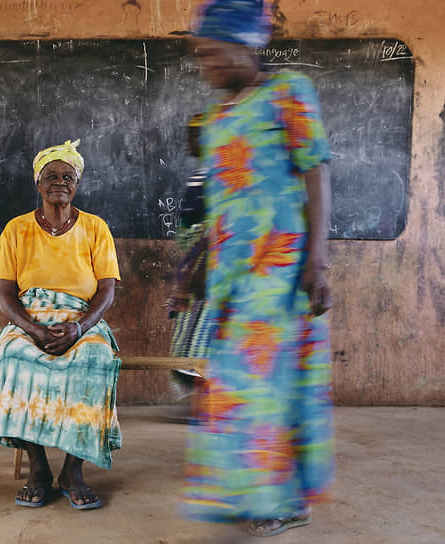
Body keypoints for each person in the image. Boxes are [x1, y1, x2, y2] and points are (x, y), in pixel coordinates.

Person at [181, 0, 335, 538]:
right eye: (200, 57)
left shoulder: (289, 92)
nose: (207, 67)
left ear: (247, 45)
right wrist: (202, 266)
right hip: (233, 277)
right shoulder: (219, 117)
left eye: (213, 54)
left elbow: (315, 174)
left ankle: (278, 498)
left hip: (280, 269)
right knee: (239, 383)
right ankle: (255, 493)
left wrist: (317, 261)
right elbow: (224, 203)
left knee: (260, 384)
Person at [0, 139, 122, 510]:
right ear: (38, 183)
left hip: (81, 318)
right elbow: (6, 295)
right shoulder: (16, 229)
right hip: (30, 318)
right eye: (51, 175)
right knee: (15, 356)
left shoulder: (96, 228)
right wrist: (33, 329)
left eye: (68, 176)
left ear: (77, 184)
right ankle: (38, 470)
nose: (59, 181)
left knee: (96, 359)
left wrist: (79, 329)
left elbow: (107, 291)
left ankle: (73, 471)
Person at [166, 114, 210, 422]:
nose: (189, 142)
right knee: (194, 334)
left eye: (195, 135)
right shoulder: (204, 172)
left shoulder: (220, 175)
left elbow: (212, 230)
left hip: (209, 267)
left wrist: (189, 274)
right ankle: (202, 404)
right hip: (199, 264)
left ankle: (208, 406)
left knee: (205, 337)